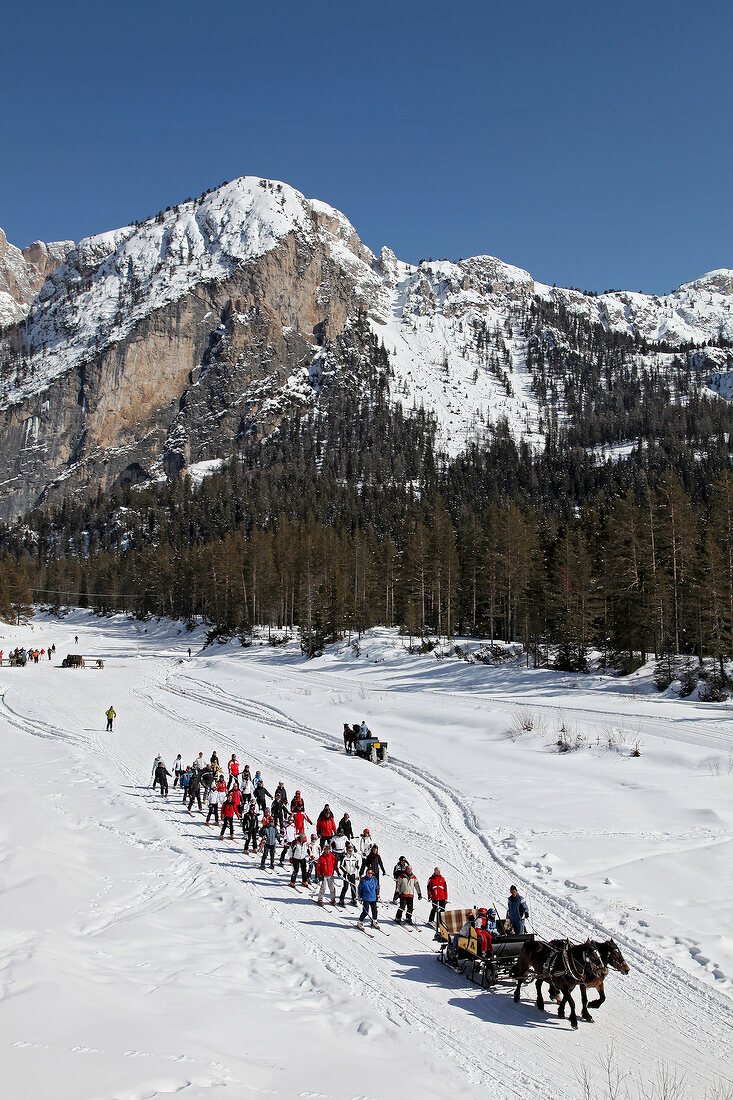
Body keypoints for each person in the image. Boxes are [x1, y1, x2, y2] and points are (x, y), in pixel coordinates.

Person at [427, 867, 448, 934]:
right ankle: (431, 920)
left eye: (439, 871)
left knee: (442, 909)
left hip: (442, 896)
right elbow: (428, 888)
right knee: (434, 908)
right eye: (437, 871)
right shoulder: (431, 879)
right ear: (434, 871)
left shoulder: (442, 879)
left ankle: (441, 921)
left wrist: (446, 897)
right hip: (435, 897)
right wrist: (429, 895)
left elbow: (445, 888)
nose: (438, 872)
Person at [339, 842, 360, 907]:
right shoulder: (344, 858)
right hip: (346, 874)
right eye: (349, 850)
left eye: (351, 850)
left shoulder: (354, 858)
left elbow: (356, 865)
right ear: (347, 851)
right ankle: (341, 899)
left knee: (353, 886)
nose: (350, 852)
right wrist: (345, 872)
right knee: (345, 887)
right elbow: (341, 866)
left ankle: (353, 898)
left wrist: (357, 867)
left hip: (352, 874)